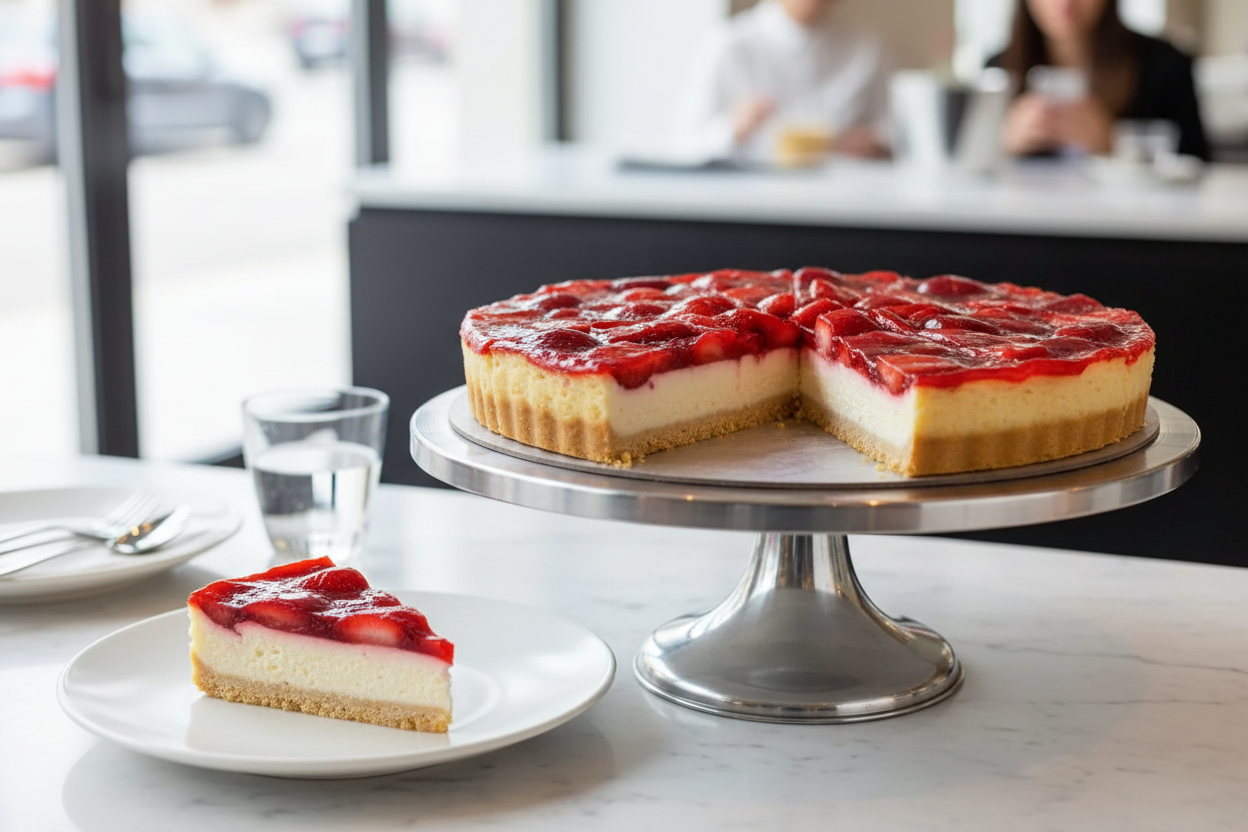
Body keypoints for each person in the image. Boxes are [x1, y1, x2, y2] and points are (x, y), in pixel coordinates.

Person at [673, 0, 891, 163]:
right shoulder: (728, 45)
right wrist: (734, 130)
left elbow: (892, 135)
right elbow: (685, 149)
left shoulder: (866, 49)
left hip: (846, 206)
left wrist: (874, 145)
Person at [995, 0, 1210, 160]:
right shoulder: (998, 70)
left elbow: (1198, 162)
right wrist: (999, 143)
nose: (1065, 1)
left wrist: (1116, 145)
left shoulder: (1165, 65)